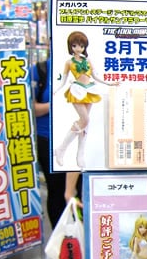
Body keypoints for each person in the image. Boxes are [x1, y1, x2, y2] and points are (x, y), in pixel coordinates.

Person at [54, 30, 118, 169]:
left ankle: (80, 153)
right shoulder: (68, 62)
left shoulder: (87, 60)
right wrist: (56, 90)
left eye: (81, 46)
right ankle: (62, 148)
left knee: (85, 123)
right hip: (77, 90)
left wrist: (109, 83)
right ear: (71, 46)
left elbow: (95, 75)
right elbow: (63, 80)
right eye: (75, 45)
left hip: (89, 90)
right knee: (85, 119)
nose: (78, 48)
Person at [32, 58, 83, 227]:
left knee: (82, 190)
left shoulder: (86, 66)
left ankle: (82, 233)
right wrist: (56, 104)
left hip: (81, 138)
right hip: (49, 139)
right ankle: (61, 235)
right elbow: (30, 108)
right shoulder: (41, 70)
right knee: (57, 190)